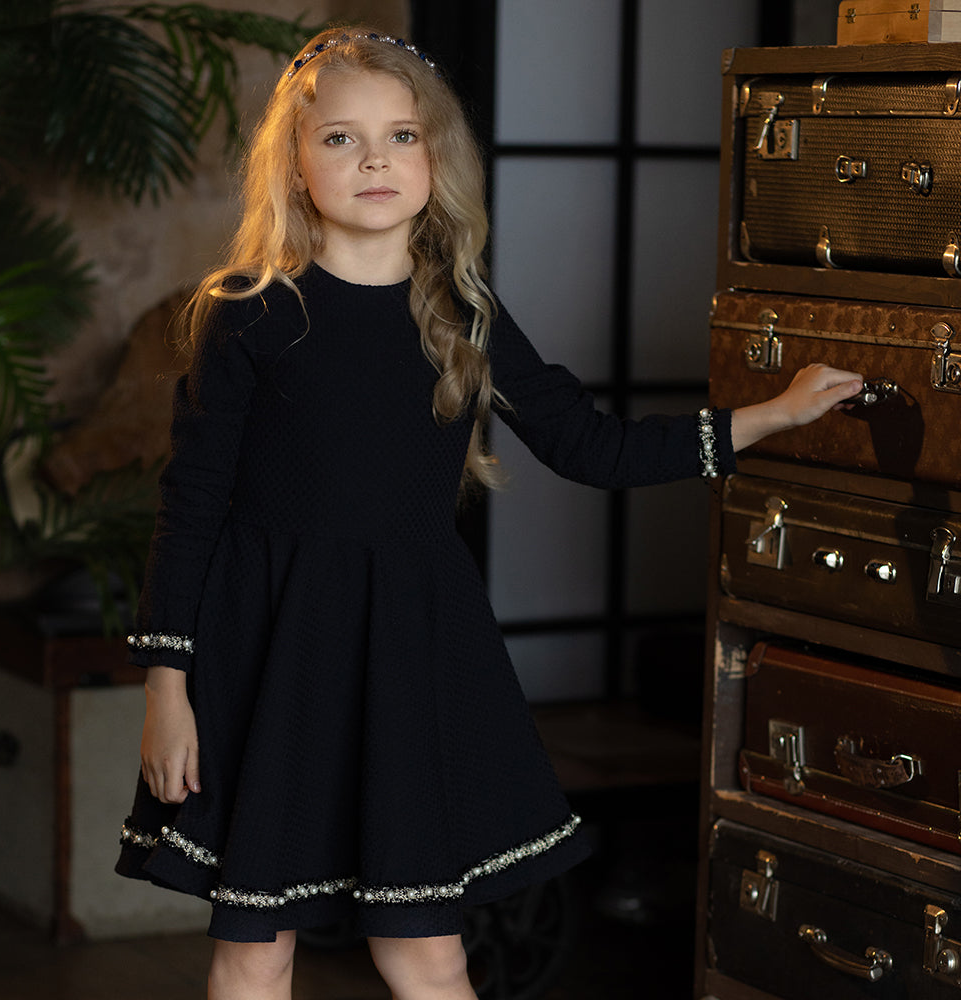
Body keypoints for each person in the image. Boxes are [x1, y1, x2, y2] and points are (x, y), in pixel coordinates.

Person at [115, 25, 862, 1000]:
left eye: (401, 136)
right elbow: (192, 506)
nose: (374, 160)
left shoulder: (461, 314)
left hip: (409, 658)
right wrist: (166, 689)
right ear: (295, 167)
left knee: (428, 953)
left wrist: (769, 416)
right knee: (258, 946)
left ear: (436, 159)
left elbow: (591, 445)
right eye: (340, 138)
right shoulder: (248, 310)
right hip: (269, 659)